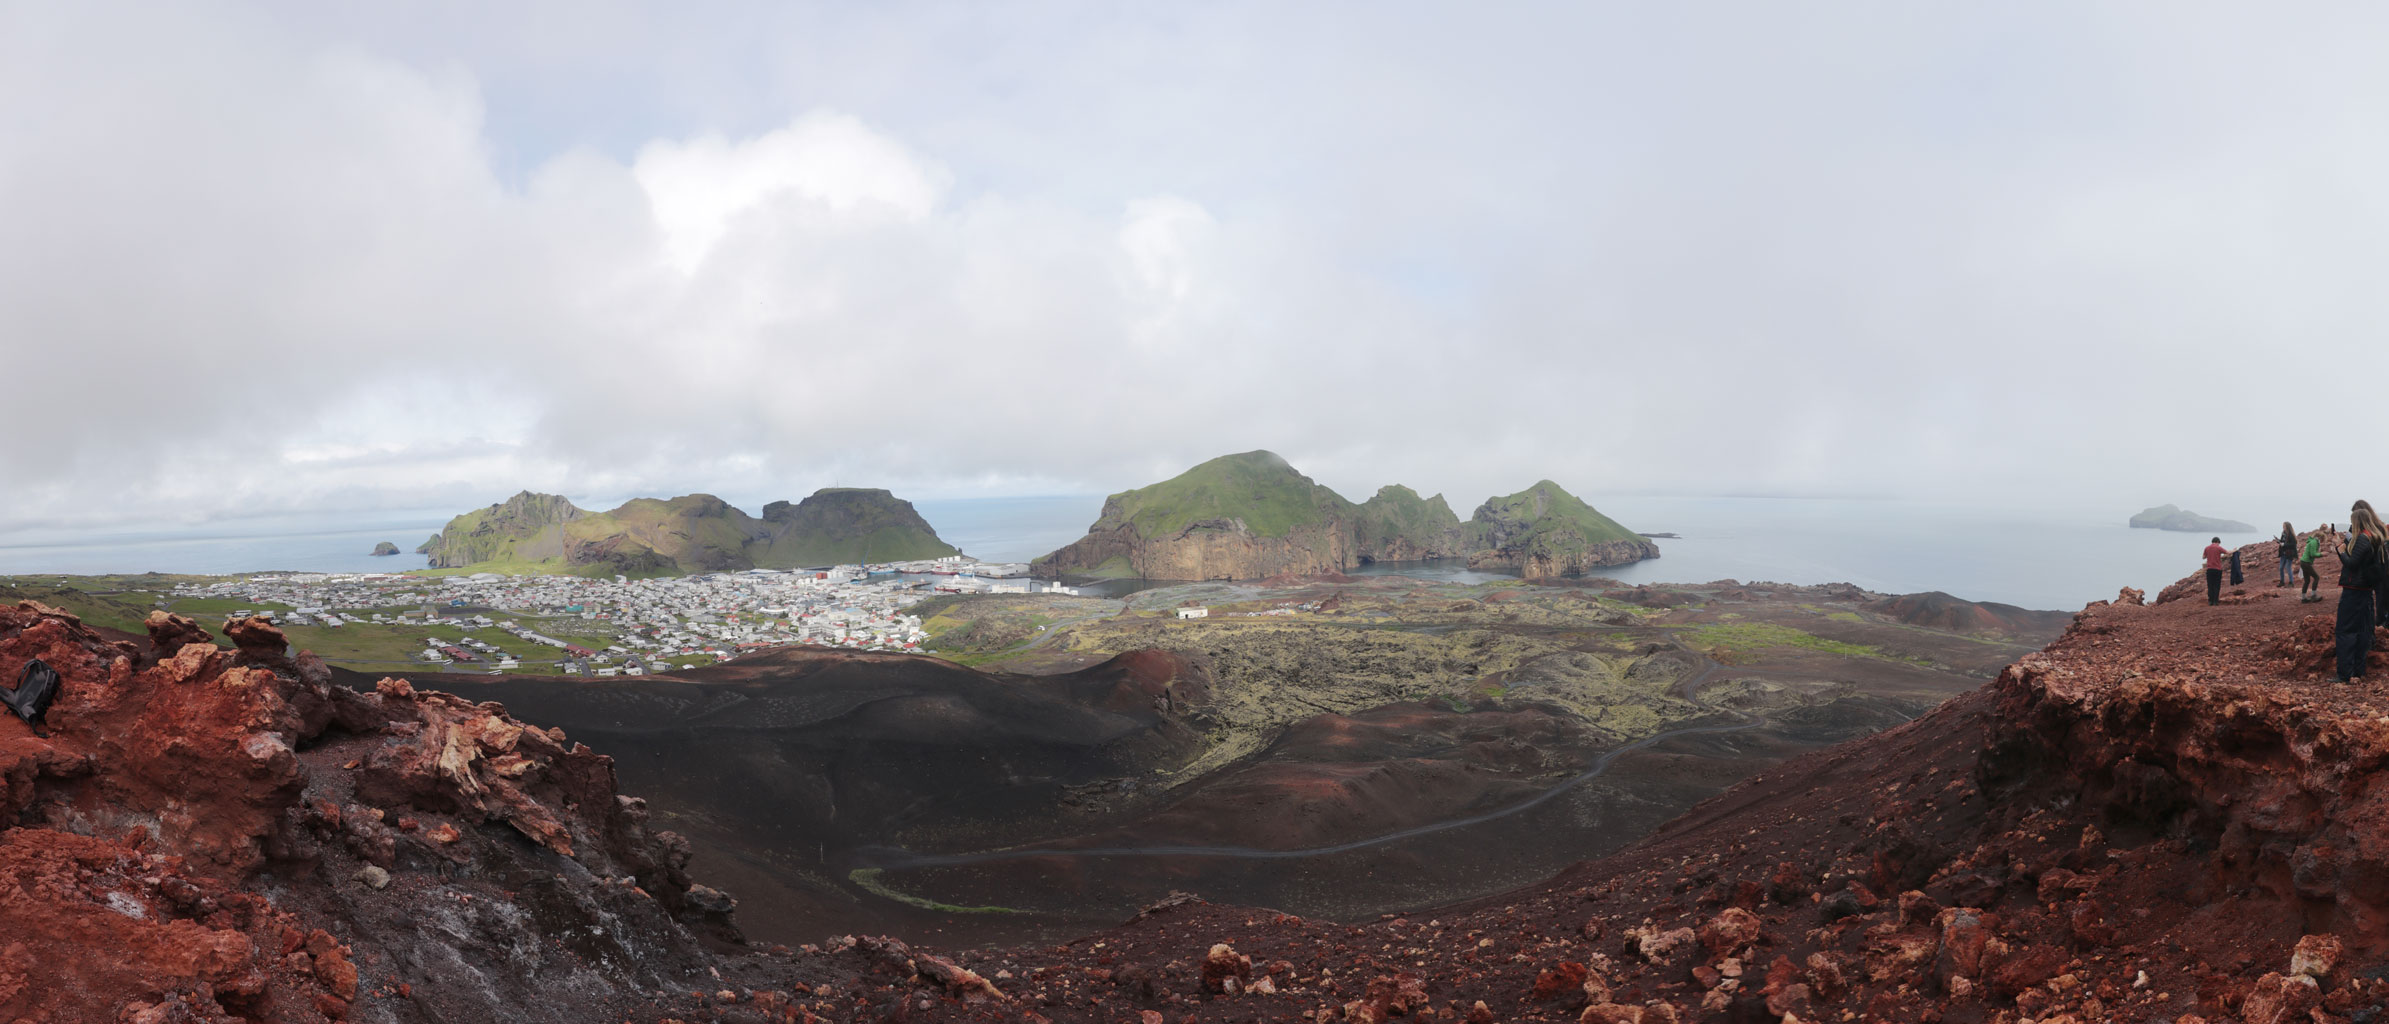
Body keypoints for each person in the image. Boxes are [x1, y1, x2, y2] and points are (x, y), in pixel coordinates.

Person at [2337, 504, 2389, 683]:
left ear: (2357, 521)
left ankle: (2345, 673)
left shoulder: (2363, 538)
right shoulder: (2377, 538)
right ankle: (2358, 671)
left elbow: (2352, 564)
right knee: (2363, 630)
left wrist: (2340, 550)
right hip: (2366, 590)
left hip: (2354, 590)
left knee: (2345, 630)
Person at [2304, 526, 2327, 602]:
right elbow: (2312, 554)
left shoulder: (2312, 541)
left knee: (2307, 580)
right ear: (2321, 538)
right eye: (2323, 540)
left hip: (2304, 562)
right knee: (2316, 577)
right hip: (2306, 562)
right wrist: (2322, 554)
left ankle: (2303, 598)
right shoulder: (2314, 542)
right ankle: (2313, 596)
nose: (2323, 541)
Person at [2204, 536, 2228, 605]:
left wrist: (2209, 555)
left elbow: (2203, 557)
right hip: (2217, 569)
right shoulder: (2218, 548)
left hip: (2209, 569)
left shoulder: (2207, 548)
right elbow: (2227, 552)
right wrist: (2234, 550)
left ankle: (2210, 601)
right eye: (2219, 543)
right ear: (2217, 542)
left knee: (2210, 585)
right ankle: (2215, 601)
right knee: (2217, 585)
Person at [2280, 522, 2299, 587]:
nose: (2283, 528)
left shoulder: (2291, 535)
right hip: (2283, 553)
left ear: (2287, 527)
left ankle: (2291, 582)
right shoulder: (2283, 533)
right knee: (2281, 568)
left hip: (2289, 554)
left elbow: (2293, 545)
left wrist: (2284, 544)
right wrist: (2280, 542)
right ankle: (2282, 581)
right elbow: (2282, 541)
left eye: (2284, 526)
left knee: (2288, 567)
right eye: (2283, 526)